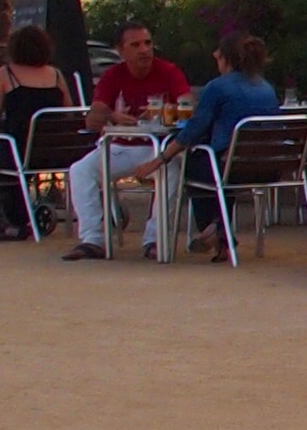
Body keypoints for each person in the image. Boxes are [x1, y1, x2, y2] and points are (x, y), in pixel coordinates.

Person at [63, 20, 194, 259]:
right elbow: (92, 120)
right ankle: (92, 239)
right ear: (121, 51)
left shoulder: (169, 71)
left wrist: (164, 110)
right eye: (135, 45)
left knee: (172, 169)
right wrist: (111, 115)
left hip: (157, 149)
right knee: (79, 171)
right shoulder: (113, 76)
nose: (144, 49)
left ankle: (155, 239)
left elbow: (188, 107)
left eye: (147, 43)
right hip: (120, 147)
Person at [167, 32, 284, 261]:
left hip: (232, 167)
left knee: (196, 164)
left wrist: (162, 157)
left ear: (225, 59)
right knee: (221, 171)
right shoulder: (266, 88)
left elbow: (195, 128)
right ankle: (221, 236)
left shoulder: (218, 87)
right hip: (269, 167)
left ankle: (214, 231)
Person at [0, 24, 68, 241]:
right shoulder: (55, 75)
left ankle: (5, 216)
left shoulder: (7, 74)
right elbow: (69, 109)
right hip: (54, 152)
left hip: (18, 150)